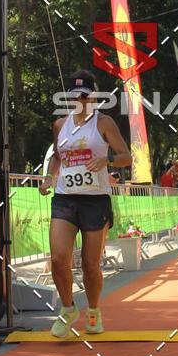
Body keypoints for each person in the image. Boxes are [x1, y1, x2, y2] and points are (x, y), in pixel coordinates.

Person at [40, 69, 131, 338]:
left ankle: (93, 310)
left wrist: (108, 161)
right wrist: (48, 178)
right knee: (58, 258)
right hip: (65, 198)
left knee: (91, 264)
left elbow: (127, 156)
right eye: (75, 95)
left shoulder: (104, 123)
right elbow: (58, 156)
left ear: (93, 97)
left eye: (85, 95)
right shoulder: (59, 125)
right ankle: (68, 308)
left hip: (95, 200)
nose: (80, 99)